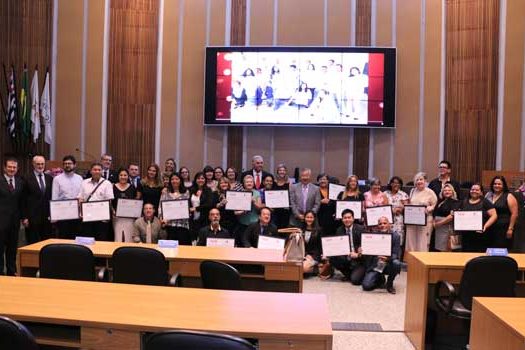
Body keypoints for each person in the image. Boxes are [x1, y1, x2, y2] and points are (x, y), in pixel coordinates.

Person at [362, 216, 402, 294]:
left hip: (388, 264)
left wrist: (387, 258)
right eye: (380, 224)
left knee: (397, 263)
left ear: (389, 224)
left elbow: (395, 254)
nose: (382, 225)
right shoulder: (373, 236)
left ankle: (390, 283)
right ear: (378, 226)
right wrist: (362, 250)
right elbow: (368, 252)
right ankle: (380, 278)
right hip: (376, 265)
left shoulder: (395, 236)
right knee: (366, 286)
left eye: (385, 223)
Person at [0, 157, 25, 275]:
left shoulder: (20, 182)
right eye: (9, 167)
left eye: (14, 167)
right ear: (4, 168)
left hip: (15, 223)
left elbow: (22, 202)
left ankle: (11, 272)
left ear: (17, 169)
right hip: (1, 222)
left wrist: (23, 217)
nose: (12, 169)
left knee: (12, 249)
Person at [328, 209, 366, 285]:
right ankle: (349, 274)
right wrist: (328, 253)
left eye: (349, 217)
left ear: (353, 218)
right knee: (332, 258)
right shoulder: (339, 230)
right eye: (345, 218)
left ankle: (358, 273)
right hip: (347, 257)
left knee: (355, 281)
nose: (347, 220)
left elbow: (366, 246)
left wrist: (358, 254)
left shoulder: (361, 229)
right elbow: (337, 246)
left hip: (359, 259)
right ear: (342, 219)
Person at [456, 183, 497, 252]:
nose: (474, 191)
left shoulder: (485, 202)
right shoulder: (464, 201)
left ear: (481, 192)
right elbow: (459, 213)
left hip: (481, 235)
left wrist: (485, 226)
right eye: (472, 189)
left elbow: (494, 215)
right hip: (466, 235)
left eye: (477, 190)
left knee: (479, 255)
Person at [78, 163, 114, 241]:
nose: (97, 171)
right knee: (87, 240)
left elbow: (109, 201)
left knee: (101, 240)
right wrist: (81, 212)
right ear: (91, 171)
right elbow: (80, 199)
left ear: (102, 171)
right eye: (95, 170)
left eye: (99, 170)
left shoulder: (107, 184)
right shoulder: (84, 182)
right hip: (87, 218)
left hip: (101, 219)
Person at [22, 155, 53, 243]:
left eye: (42, 164)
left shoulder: (49, 178)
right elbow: (23, 199)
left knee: (46, 243)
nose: (40, 166)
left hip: (46, 218)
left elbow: (51, 197)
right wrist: (24, 217)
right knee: (32, 242)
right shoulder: (26, 178)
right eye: (38, 164)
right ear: (33, 164)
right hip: (32, 218)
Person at [52, 155, 84, 238]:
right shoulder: (57, 179)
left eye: (69, 163)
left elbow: (81, 194)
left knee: (76, 236)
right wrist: (55, 215)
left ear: (74, 165)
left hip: (76, 213)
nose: (67, 165)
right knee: (63, 236)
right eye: (65, 163)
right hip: (63, 213)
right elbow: (54, 197)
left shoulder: (79, 178)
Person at [405, 172, 437, 252]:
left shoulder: (430, 192)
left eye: (421, 179)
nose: (419, 181)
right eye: (417, 180)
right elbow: (410, 204)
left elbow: (434, 205)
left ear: (425, 181)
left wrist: (430, 208)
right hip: (412, 221)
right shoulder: (412, 191)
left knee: (423, 242)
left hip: (425, 221)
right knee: (411, 242)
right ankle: (411, 261)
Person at [485, 176, 518, 249]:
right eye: (495, 184)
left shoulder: (509, 196)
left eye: (499, 184)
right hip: (490, 228)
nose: (496, 185)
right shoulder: (488, 195)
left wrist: (510, 228)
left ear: (503, 185)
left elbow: (514, 214)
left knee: (501, 251)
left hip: (503, 229)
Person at [159, 173, 191, 245]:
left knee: (183, 249)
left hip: (183, 225)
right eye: (172, 179)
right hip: (169, 225)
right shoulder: (165, 192)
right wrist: (161, 218)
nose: (174, 181)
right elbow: (160, 207)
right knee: (170, 249)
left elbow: (188, 207)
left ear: (180, 181)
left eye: (177, 179)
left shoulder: (186, 192)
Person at [235, 175, 264, 244]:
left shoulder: (257, 193)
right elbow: (236, 212)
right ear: (244, 184)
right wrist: (243, 211)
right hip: (243, 223)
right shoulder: (240, 193)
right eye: (247, 182)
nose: (249, 183)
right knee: (242, 243)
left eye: (251, 182)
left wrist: (254, 201)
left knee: (254, 243)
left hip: (255, 223)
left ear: (253, 183)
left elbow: (260, 208)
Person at [112, 168, 138, 242]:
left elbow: (135, 202)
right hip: (117, 217)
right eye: (121, 175)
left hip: (129, 217)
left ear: (128, 176)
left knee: (129, 237)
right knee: (118, 237)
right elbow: (110, 202)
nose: (123, 177)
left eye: (125, 175)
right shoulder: (112, 186)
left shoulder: (132, 187)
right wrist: (112, 211)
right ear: (118, 176)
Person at [433, 183, 460, 251]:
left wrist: (438, 224)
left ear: (453, 192)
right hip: (439, 229)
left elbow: (451, 216)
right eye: (445, 190)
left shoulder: (456, 202)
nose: (447, 192)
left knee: (448, 249)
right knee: (440, 249)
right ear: (442, 192)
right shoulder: (440, 202)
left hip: (448, 229)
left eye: (449, 190)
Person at [384, 176, 409, 250]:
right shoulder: (385, 193)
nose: (396, 185)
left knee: (398, 240)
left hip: (399, 221)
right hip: (388, 220)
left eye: (398, 183)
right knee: (387, 239)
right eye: (394, 183)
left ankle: (397, 258)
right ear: (391, 184)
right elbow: (384, 206)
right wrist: (393, 210)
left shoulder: (403, 194)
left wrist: (400, 209)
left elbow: (406, 207)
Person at [189, 171, 214, 241]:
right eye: (198, 178)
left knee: (202, 239)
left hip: (204, 219)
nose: (200, 180)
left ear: (205, 180)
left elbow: (209, 204)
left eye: (202, 178)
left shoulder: (208, 190)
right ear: (195, 180)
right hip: (192, 219)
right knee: (192, 239)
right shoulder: (191, 190)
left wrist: (196, 208)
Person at [272, 164, 291, 229]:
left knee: (284, 229)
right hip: (275, 210)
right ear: (277, 172)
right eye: (280, 170)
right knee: (274, 228)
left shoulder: (289, 183)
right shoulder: (273, 183)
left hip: (285, 210)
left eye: (283, 170)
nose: (282, 172)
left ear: (286, 172)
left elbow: (291, 196)